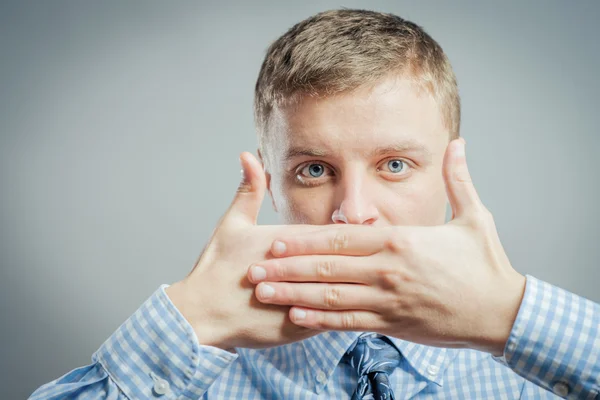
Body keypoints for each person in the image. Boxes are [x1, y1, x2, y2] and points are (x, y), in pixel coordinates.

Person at [29, 8, 599, 400]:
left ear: (452, 170)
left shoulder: (538, 367)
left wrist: (512, 319)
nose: (353, 211)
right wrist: (186, 324)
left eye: (394, 165)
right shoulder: (193, 371)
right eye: (315, 170)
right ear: (271, 180)